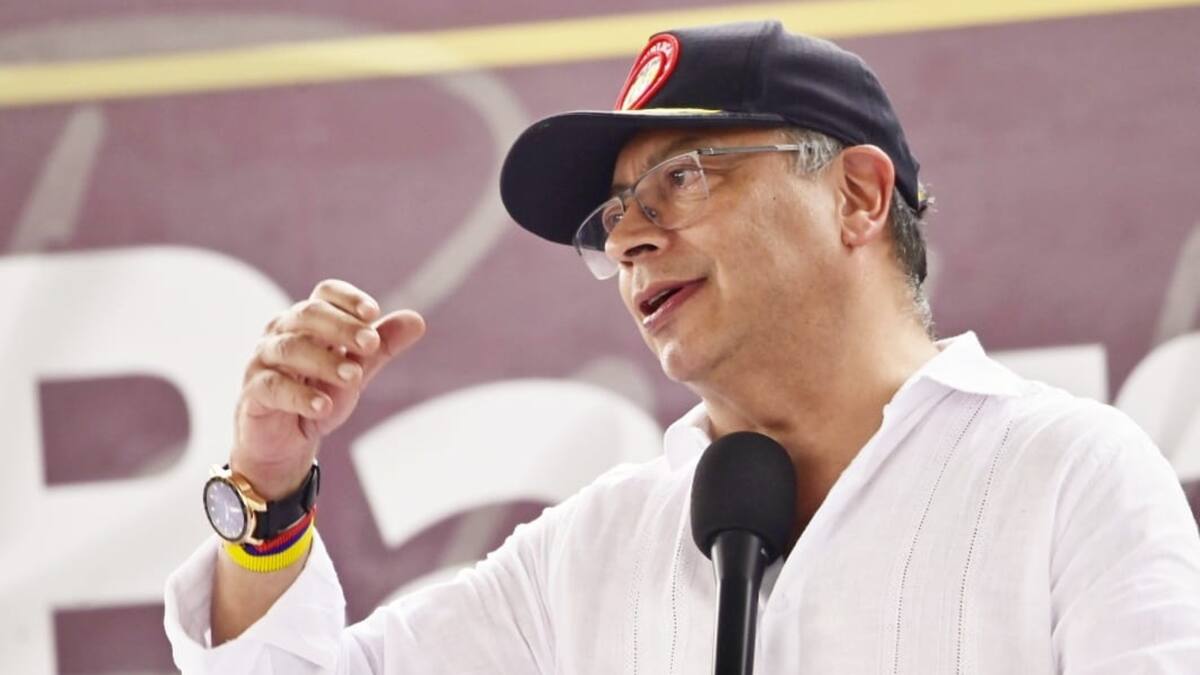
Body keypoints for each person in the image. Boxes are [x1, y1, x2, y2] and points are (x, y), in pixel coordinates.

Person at [164, 20, 1200, 673]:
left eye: (685, 177)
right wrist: (269, 490)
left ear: (856, 195)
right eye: (614, 214)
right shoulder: (586, 552)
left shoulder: (1069, 476)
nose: (629, 238)